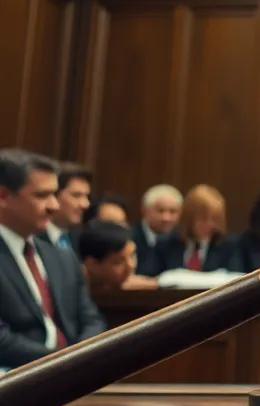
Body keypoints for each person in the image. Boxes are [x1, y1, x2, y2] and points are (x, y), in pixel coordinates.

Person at [0, 149, 106, 370]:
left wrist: (80, 358)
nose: (54, 206)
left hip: (69, 379)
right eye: (41, 195)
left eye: (54, 194)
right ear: (3, 197)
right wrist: (63, 362)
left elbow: (92, 321)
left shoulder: (62, 257)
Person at [152, 184, 235, 274]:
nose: (209, 224)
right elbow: (149, 277)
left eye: (215, 219)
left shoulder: (228, 246)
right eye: (203, 218)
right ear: (189, 218)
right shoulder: (166, 244)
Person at [78, 221, 158, 292]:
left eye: (132, 255)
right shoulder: (72, 287)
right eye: (118, 262)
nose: (131, 265)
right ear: (92, 264)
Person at [43, 162, 91, 255]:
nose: (85, 204)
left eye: (87, 197)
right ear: (53, 195)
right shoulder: (31, 237)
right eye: (76, 195)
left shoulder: (82, 241)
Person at [134, 184, 182, 276]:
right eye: (160, 211)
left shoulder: (181, 240)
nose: (166, 218)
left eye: (172, 211)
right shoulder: (130, 238)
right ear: (145, 210)